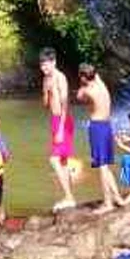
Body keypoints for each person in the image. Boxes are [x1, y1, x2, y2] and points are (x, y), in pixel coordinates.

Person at [76, 64, 126, 213]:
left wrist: (82, 84)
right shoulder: (100, 84)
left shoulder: (88, 91)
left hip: (97, 127)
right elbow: (93, 75)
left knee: (102, 167)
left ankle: (108, 203)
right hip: (107, 125)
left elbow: (79, 96)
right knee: (106, 165)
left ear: (84, 78)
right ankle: (117, 197)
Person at [39, 48, 77, 211]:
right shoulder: (46, 79)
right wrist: (46, 93)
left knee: (54, 160)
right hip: (54, 120)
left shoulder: (60, 78)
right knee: (63, 161)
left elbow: (65, 104)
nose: (44, 68)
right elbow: (45, 104)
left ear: (53, 62)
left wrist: (61, 129)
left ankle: (69, 197)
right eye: (42, 65)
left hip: (64, 121)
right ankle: (70, 197)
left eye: (47, 65)